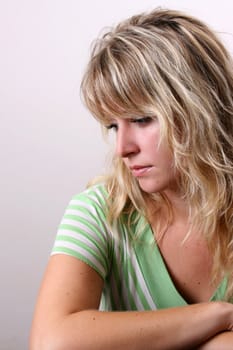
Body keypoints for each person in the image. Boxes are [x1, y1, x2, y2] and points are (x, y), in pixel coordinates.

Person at [30, 7, 233, 349]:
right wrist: (218, 317)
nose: (122, 148)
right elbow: (53, 341)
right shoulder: (99, 212)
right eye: (113, 126)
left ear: (199, 107)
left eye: (141, 119)